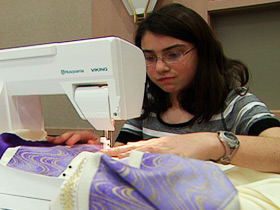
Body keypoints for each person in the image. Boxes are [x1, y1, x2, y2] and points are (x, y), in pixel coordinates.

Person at [47, 3, 280, 173]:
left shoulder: (234, 103)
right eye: (149, 57)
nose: (160, 68)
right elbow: (125, 152)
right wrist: (100, 145)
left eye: (173, 54)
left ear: (203, 53)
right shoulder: (145, 103)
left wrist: (211, 143)